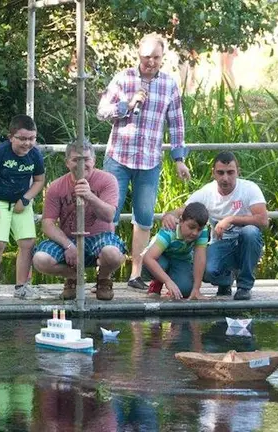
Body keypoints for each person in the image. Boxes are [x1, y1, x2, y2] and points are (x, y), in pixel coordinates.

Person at [96, 32, 191, 291]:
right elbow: (102, 111)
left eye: (156, 57)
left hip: (150, 160)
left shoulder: (170, 84)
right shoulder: (123, 78)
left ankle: (135, 274)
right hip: (119, 157)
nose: (151, 62)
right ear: (138, 55)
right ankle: (104, 274)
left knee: (145, 217)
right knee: (109, 215)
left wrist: (179, 159)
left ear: (163, 57)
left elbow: (177, 124)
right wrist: (127, 104)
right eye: (146, 57)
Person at [162, 152, 268, 300]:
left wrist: (230, 219)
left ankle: (244, 287)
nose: (225, 178)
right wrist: (170, 215)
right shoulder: (207, 192)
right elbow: (182, 210)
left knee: (250, 233)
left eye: (230, 172)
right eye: (220, 173)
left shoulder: (250, 188)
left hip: (247, 243)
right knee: (207, 271)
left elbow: (263, 220)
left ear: (238, 171)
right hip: (221, 244)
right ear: (213, 173)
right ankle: (225, 280)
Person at [32, 141, 126, 301]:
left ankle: (103, 279)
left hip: (100, 237)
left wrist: (89, 195)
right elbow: (47, 224)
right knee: (40, 259)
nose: (81, 164)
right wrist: (68, 245)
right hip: (68, 238)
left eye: (86, 159)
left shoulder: (108, 180)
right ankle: (74, 277)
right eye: (76, 160)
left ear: (94, 161)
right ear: (67, 162)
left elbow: (110, 215)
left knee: (113, 254)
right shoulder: (56, 187)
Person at [0, 114, 45, 302]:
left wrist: (26, 198)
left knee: (27, 242)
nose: (27, 143)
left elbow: (39, 180)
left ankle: (22, 286)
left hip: (21, 202)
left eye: (31, 138)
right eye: (22, 138)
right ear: (11, 137)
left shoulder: (35, 154)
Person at [142, 202, 209, 300]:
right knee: (161, 264)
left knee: (185, 291)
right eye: (191, 227)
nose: (195, 233)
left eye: (199, 229)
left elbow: (200, 258)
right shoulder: (170, 230)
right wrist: (167, 281)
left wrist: (196, 289)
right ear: (181, 221)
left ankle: (174, 285)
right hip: (161, 258)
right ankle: (157, 284)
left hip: (180, 259)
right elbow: (148, 258)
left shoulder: (203, 231)